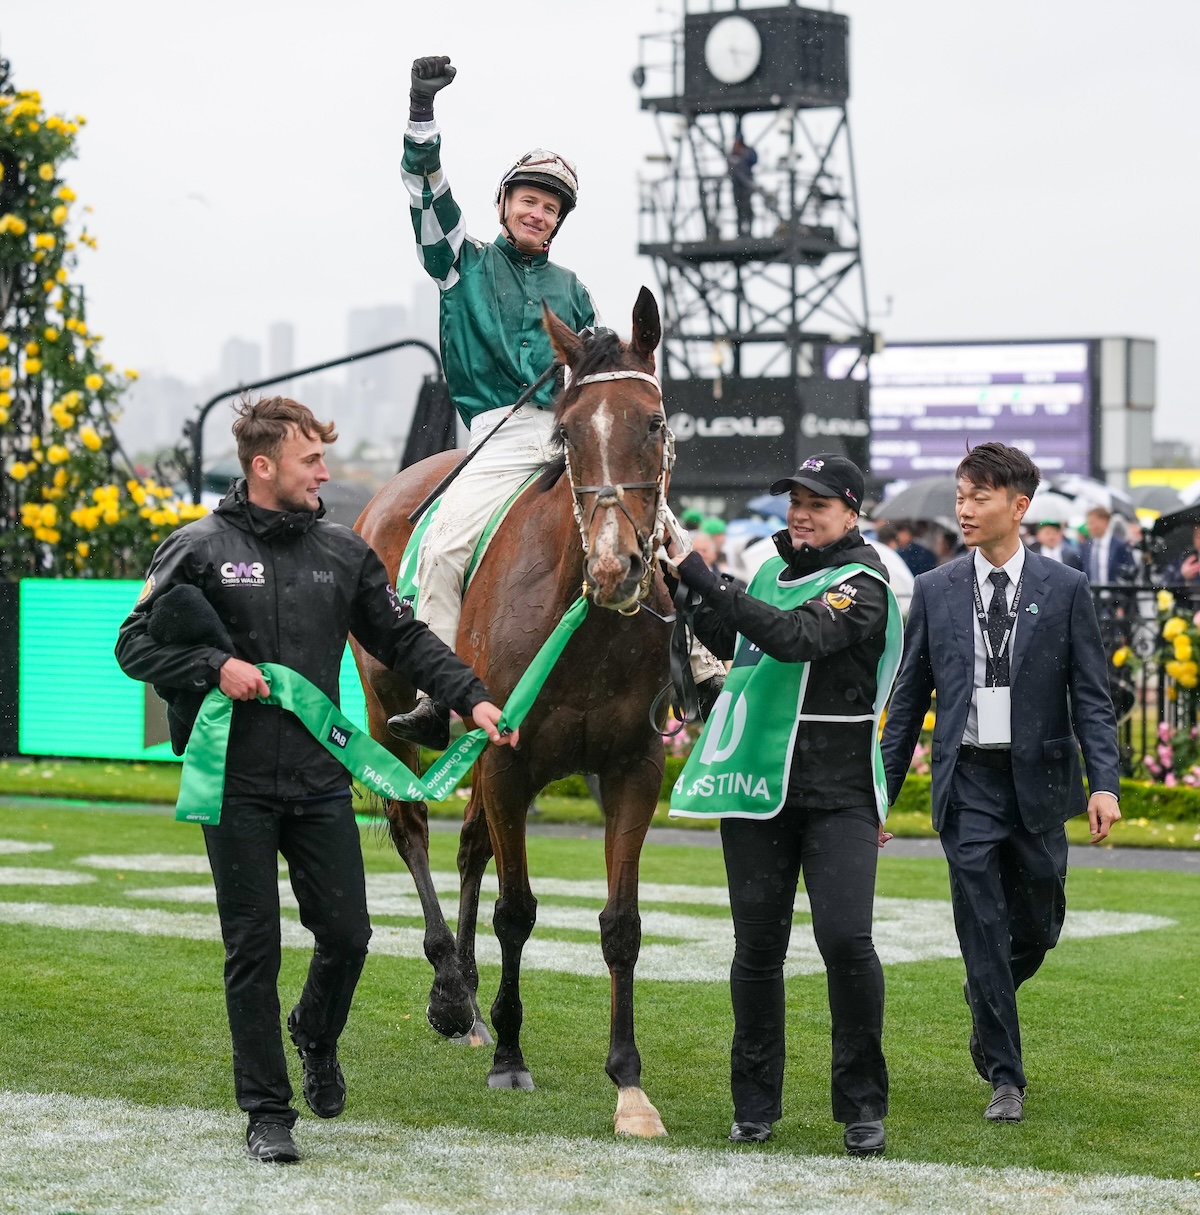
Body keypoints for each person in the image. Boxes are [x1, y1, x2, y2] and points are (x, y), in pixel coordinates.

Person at [115, 397, 514, 1164]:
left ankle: (315, 1032)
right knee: (252, 947)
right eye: (311, 461)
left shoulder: (342, 550)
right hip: (232, 782)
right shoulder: (195, 547)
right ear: (264, 466)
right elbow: (132, 645)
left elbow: (402, 636)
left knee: (349, 934)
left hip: (319, 779)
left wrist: (472, 695)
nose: (325, 473)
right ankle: (268, 1112)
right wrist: (213, 666)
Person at [390, 55, 723, 746]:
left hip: (569, 435)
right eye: (528, 200)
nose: (538, 212)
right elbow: (425, 194)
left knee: (660, 533)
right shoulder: (462, 258)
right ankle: (434, 692)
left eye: (550, 207)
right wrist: (422, 115)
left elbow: (599, 376)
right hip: (493, 438)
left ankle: (696, 661)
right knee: (445, 545)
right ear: (505, 203)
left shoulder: (573, 289)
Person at [669, 454, 902, 1157]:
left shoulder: (866, 582)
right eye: (796, 499)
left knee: (845, 940)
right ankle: (753, 1106)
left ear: (852, 511)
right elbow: (745, 646)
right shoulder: (773, 571)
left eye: (819, 502)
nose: (801, 511)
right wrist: (688, 597)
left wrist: (704, 577)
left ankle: (862, 1105)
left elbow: (797, 638)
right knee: (757, 950)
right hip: (758, 788)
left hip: (840, 794)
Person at [881, 442, 1120, 1124]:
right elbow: (907, 704)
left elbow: (1093, 698)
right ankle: (1006, 1076)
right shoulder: (934, 589)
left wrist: (1104, 782)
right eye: (961, 495)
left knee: (1038, 928)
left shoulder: (1066, 588)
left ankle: (986, 993)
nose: (966, 507)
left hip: (1040, 783)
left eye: (980, 495)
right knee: (982, 927)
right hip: (970, 785)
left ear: (1019, 506)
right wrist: (880, 795)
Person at [1080, 506, 1135, 584]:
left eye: (1092, 523)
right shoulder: (1086, 546)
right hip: (1090, 593)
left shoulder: (1120, 546)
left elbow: (1130, 572)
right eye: (1088, 523)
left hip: (1113, 593)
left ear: (1104, 521)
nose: (1089, 527)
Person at [728, 133, 758, 237]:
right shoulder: (732, 153)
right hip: (736, 185)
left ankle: (749, 230)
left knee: (747, 206)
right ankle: (740, 231)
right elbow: (729, 168)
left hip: (746, 184)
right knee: (738, 207)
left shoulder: (747, 151)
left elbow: (754, 160)